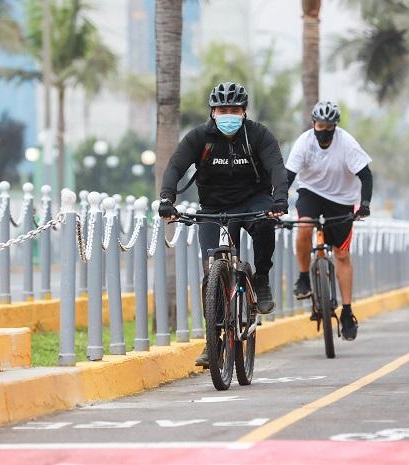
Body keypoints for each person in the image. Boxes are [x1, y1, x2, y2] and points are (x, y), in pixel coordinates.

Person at [158, 82, 289, 368]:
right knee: (211, 273)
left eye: (233, 110)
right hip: (214, 208)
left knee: (265, 225)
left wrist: (280, 200)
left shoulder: (258, 135)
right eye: (221, 110)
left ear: (243, 112)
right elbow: (175, 167)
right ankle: (212, 344)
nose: (227, 114)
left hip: (254, 202)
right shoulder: (199, 138)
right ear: (212, 112)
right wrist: (167, 199)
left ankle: (262, 279)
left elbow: (277, 168)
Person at [285, 101, 373, 341]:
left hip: (342, 199)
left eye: (329, 127)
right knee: (303, 227)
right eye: (320, 125)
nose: (324, 131)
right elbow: (289, 176)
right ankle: (304, 277)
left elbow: (365, 176)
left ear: (336, 127)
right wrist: (278, 201)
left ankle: (346, 311)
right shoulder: (304, 142)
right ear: (314, 124)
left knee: (342, 255)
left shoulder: (347, 143)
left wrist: (364, 205)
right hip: (311, 194)